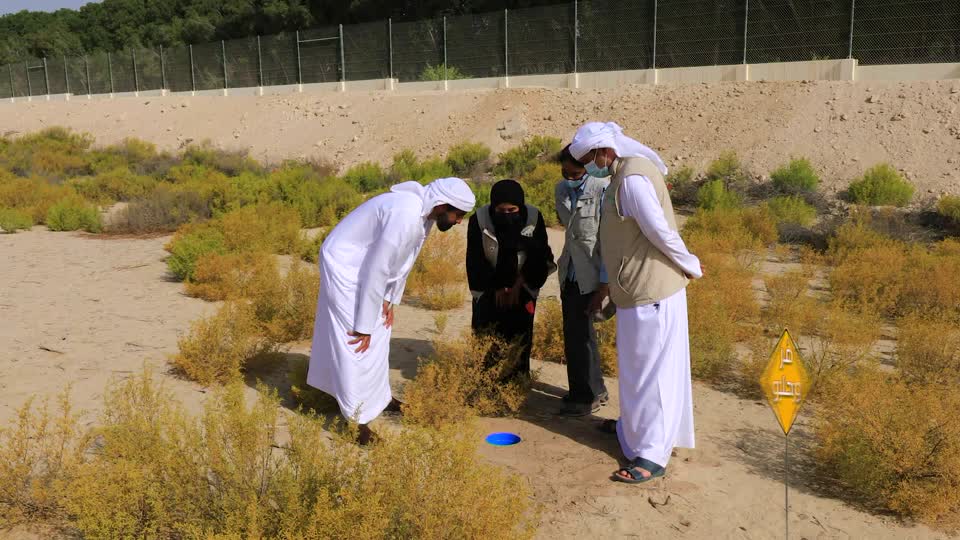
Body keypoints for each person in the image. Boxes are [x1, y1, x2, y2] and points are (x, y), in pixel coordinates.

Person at [568, 121, 703, 484]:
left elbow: (659, 230)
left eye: (591, 157)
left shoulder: (632, 178)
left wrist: (689, 264)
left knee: (653, 374)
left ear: (606, 151)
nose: (590, 163)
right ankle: (633, 431)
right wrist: (608, 285)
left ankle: (652, 454)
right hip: (635, 291)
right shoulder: (621, 175)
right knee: (636, 368)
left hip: (652, 292)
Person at [307, 177, 476, 445]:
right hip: (345, 265)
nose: (458, 222)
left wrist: (390, 299)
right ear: (444, 205)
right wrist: (363, 324)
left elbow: (405, 258)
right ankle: (357, 421)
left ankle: (380, 398)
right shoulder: (405, 213)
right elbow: (378, 267)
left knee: (381, 331)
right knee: (356, 341)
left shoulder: (425, 214)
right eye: (458, 215)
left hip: (365, 265)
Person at [467, 179, 555, 381]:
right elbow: (475, 260)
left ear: (520, 206)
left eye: (512, 210)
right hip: (488, 287)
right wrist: (496, 288)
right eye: (501, 211)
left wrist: (518, 285)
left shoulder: (532, 217)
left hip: (523, 286)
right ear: (493, 206)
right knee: (486, 337)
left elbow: (540, 255)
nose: (507, 215)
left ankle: (516, 385)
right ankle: (485, 383)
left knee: (519, 339)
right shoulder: (479, 219)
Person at [553, 145, 610, 417]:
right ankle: (592, 389)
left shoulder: (602, 189)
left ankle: (585, 396)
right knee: (576, 334)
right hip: (571, 272)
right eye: (565, 172)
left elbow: (607, 240)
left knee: (582, 337)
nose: (569, 177)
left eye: (575, 172)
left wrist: (603, 283)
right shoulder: (561, 190)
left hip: (593, 274)